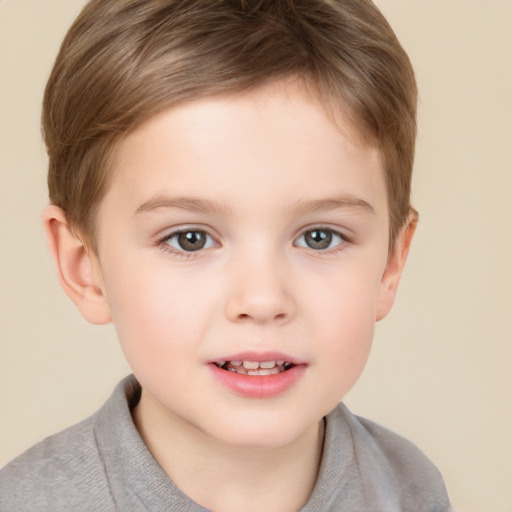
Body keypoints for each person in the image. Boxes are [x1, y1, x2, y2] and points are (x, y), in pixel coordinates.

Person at [0, 0, 451, 510]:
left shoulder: (410, 488)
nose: (262, 300)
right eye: (189, 238)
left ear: (391, 264)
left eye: (319, 236)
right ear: (85, 267)